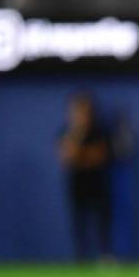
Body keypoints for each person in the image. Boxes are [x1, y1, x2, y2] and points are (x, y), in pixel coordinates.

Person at [58, 92, 113, 262]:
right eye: (76, 111)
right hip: (77, 185)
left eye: (84, 111)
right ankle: (81, 259)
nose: (80, 115)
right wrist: (78, 138)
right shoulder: (68, 132)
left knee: (102, 223)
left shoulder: (100, 131)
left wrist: (80, 157)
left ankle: (105, 257)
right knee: (79, 223)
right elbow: (66, 157)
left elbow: (98, 156)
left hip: (98, 184)